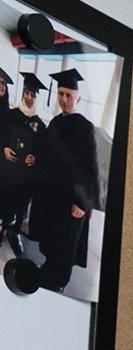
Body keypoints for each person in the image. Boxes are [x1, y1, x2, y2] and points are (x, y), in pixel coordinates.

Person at [27, 66, 98, 275]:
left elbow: (90, 168)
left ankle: (59, 281)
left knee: (65, 244)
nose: (64, 99)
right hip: (52, 195)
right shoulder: (56, 122)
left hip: (71, 199)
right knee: (51, 239)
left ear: (78, 99)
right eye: (60, 94)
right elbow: (50, 154)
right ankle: (49, 267)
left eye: (69, 95)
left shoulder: (85, 127)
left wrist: (82, 203)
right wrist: (36, 158)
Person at [0, 69, 42, 239]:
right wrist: (3, 148)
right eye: (27, 93)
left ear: (36, 97)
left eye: (33, 94)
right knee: (5, 198)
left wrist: (36, 157)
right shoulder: (10, 115)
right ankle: (2, 228)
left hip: (25, 173)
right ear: (23, 93)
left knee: (22, 202)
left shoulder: (39, 123)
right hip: (9, 169)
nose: (29, 97)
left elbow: (41, 147)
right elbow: (1, 135)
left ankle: (16, 231)